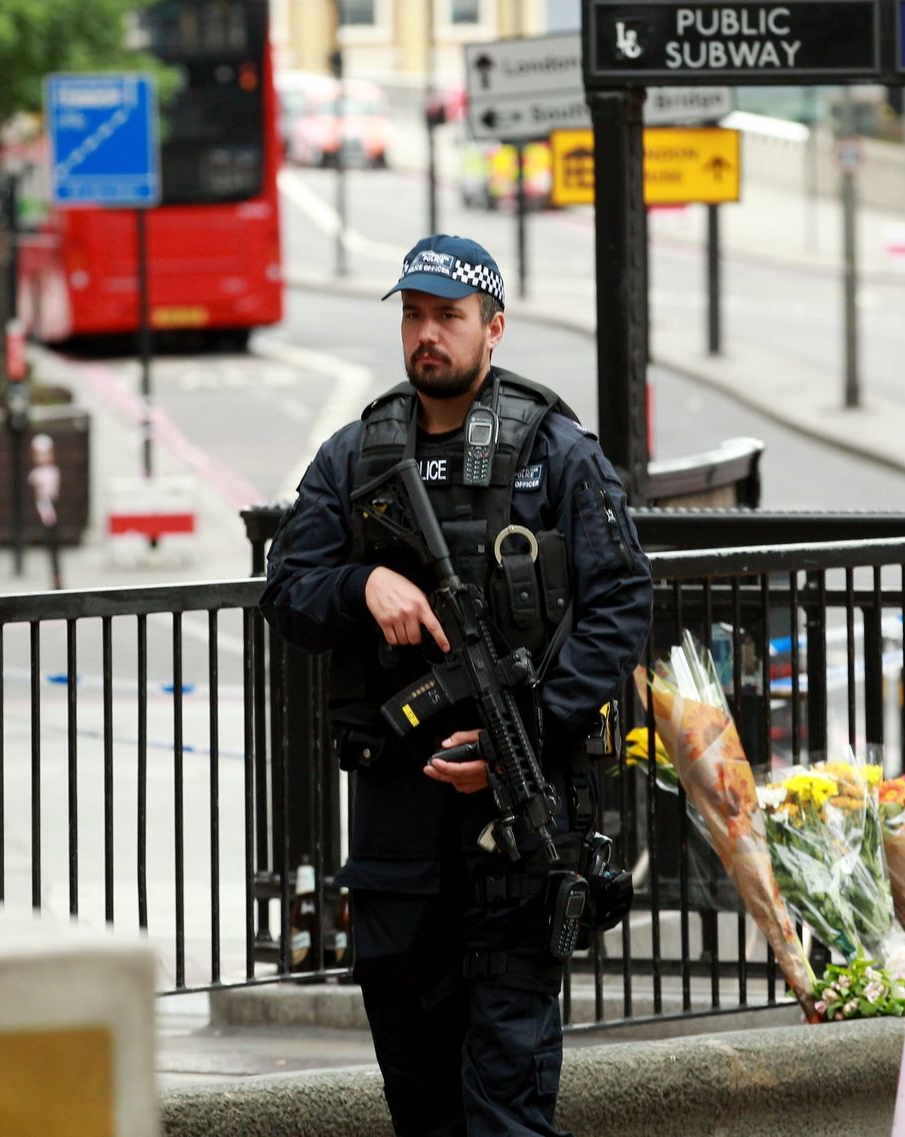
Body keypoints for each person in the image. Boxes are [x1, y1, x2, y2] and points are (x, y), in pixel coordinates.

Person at [259, 234, 653, 1137]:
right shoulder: (356, 455)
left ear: (494, 327)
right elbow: (287, 590)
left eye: (448, 316)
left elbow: (622, 606)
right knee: (421, 1104)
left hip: (516, 825)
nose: (426, 334)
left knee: (506, 1107)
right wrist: (362, 584)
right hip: (398, 830)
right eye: (413, 315)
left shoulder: (557, 455)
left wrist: (537, 729)